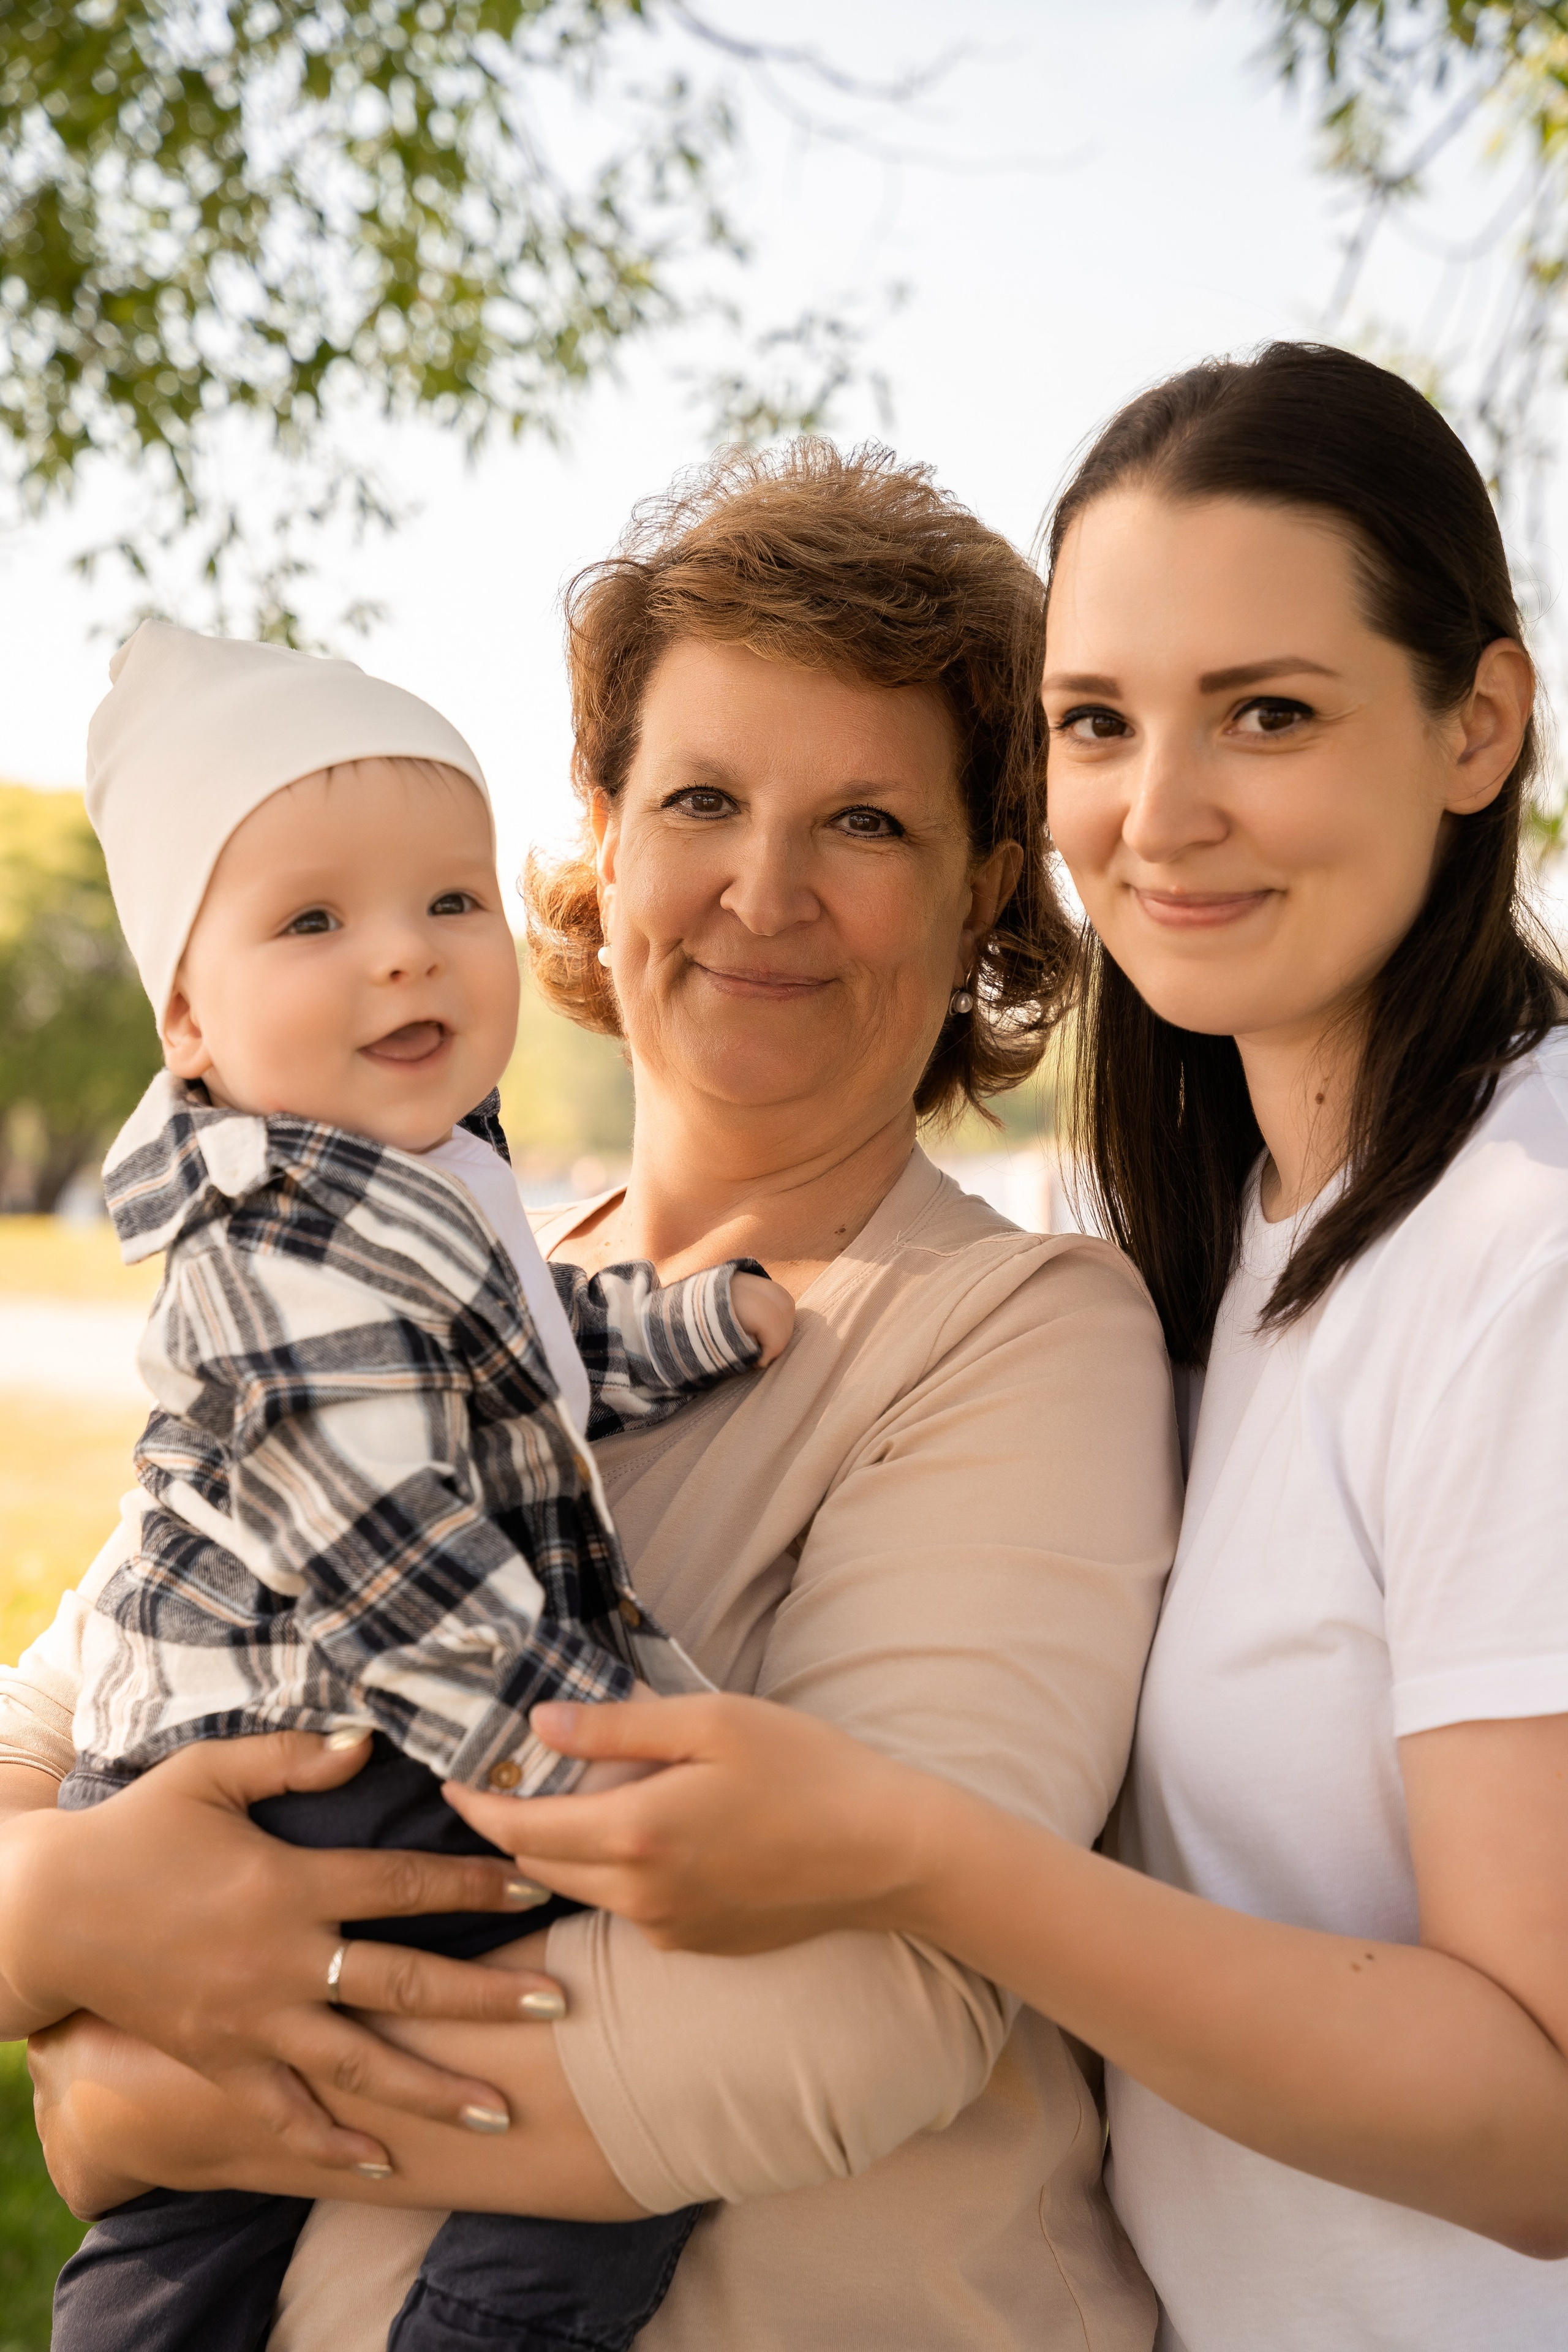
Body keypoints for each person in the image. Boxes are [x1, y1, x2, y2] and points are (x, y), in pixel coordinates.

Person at [446, 345, 1568, 2352]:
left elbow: (1549, 2124)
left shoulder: (1526, 1241)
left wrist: (912, 1853)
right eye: (1101, 726)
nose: (1166, 811)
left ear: (1482, 722)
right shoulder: (1221, 1240)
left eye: (1272, 715)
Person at [2, 444, 1182, 2352]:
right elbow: (63, 1709)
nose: (762, 890)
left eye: (867, 824)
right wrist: (55, 1922)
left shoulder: (1012, 1329)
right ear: (607, 838)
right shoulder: (415, 1292)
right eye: (702, 797)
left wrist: (163, 2092)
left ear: (985, 890)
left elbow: (877, 2008)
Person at [47, 619, 794, 2352]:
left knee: (215, 2209)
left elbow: (526, 1356)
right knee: (580, 2120)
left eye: (450, 904)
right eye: (314, 923)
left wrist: (684, 1325)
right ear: (190, 1019)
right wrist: (584, 1766)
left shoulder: (430, 1179)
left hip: (362, 1745)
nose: (405, 962)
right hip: (303, 1766)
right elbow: (411, 1570)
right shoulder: (270, 1255)